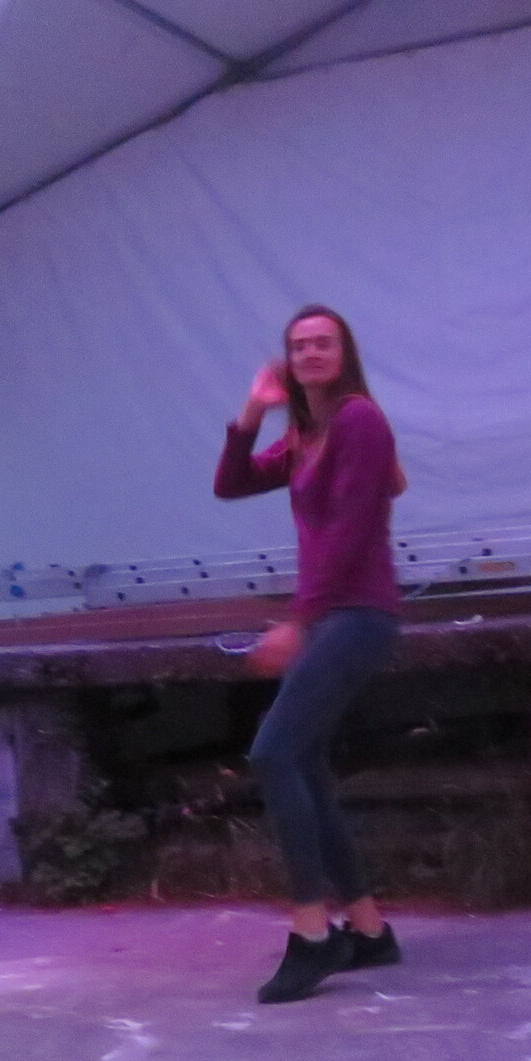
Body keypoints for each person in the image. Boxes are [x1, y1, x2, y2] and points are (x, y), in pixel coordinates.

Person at [214, 305, 407, 1005]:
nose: (311, 354)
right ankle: (369, 930)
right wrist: (253, 410)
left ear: (344, 353)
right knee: (305, 763)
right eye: (299, 347)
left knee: (274, 753)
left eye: (324, 343)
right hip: (331, 617)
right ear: (289, 362)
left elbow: (351, 531)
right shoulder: (306, 434)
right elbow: (231, 484)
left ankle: (313, 933)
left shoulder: (359, 421)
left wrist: (297, 621)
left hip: (358, 615)